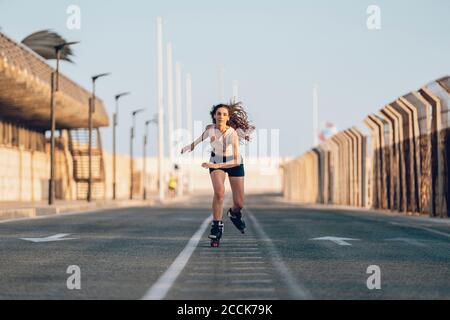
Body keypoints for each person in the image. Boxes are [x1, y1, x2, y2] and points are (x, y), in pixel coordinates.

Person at [181, 102, 255, 247]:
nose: (221, 116)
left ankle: (234, 213)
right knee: (219, 192)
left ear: (228, 118)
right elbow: (198, 140)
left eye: (224, 114)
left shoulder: (232, 133)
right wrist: (189, 146)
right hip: (216, 160)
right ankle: (216, 226)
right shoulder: (210, 130)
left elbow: (234, 160)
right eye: (219, 113)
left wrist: (216, 165)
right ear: (214, 116)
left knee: (239, 203)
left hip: (234, 163)